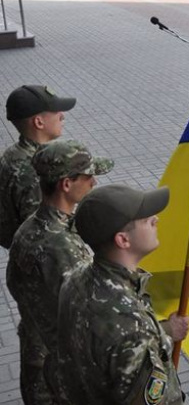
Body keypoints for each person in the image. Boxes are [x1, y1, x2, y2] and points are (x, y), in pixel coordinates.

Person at [57, 184, 189, 404]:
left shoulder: (75, 277)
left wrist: (164, 331)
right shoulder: (133, 327)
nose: (156, 219)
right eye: (146, 218)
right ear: (123, 240)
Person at [7, 140, 113, 403]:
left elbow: (14, 284)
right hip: (60, 377)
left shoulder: (28, 228)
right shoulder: (62, 246)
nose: (94, 183)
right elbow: (90, 320)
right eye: (89, 176)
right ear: (66, 184)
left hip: (34, 357)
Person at [1, 85, 76, 249]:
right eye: (56, 112)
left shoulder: (12, 154)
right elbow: (42, 233)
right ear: (39, 122)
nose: (62, 116)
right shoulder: (37, 170)